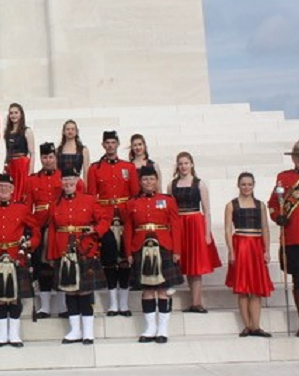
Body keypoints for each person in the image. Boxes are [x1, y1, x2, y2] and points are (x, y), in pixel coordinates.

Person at [48, 168, 110, 345]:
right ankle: (75, 330)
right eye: (65, 180)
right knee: (70, 290)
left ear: (77, 181)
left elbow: (104, 220)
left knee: (85, 291)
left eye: (71, 179)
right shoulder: (55, 203)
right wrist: (52, 255)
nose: (68, 183)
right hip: (63, 251)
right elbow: (52, 231)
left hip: (85, 249)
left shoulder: (89, 200)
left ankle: (88, 332)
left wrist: (96, 230)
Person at [0, 174, 40, 348]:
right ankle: (1, 334)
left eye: (7, 187)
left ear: (13, 190)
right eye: (0, 187)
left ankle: (14, 334)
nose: (3, 189)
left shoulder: (22, 209)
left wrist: (31, 243)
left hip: (16, 256)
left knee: (14, 297)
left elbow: (35, 229)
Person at [124, 166, 184, 344]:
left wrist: (177, 250)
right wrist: (128, 252)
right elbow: (128, 229)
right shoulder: (131, 202)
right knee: (147, 290)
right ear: (140, 182)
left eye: (151, 179)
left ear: (156, 180)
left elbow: (176, 226)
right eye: (144, 180)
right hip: (141, 246)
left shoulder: (167, 200)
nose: (148, 182)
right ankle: (150, 328)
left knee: (163, 290)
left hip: (164, 246)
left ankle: (163, 328)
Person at [88, 130, 140, 318]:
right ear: (103, 145)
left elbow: (134, 195)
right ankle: (112, 303)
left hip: (125, 217)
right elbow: (93, 197)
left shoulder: (129, 167)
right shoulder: (95, 168)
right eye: (107, 143)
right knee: (109, 261)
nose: (110, 146)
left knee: (125, 259)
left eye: (113, 142)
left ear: (117, 144)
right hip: (106, 218)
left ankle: (124, 303)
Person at [25, 142, 77, 319]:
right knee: (42, 267)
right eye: (44, 157)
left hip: (60, 228)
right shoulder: (32, 180)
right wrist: (33, 227)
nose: (47, 160)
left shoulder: (64, 177)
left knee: (61, 265)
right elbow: (28, 207)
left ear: (56, 157)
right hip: (40, 227)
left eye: (51, 157)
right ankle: (45, 306)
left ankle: (63, 306)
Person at [168, 151, 221, 312]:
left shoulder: (199, 184)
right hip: (179, 224)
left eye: (186, 163)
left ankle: (196, 302)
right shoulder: (172, 185)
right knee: (182, 263)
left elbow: (206, 210)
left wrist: (206, 233)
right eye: (181, 163)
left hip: (195, 224)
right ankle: (189, 301)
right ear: (177, 166)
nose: (183, 166)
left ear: (191, 164)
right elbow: (170, 209)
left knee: (195, 265)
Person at [225, 172, 273, 337]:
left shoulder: (261, 205)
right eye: (243, 184)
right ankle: (246, 326)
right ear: (238, 185)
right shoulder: (231, 205)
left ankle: (256, 326)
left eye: (249, 184)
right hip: (241, 246)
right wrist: (231, 251)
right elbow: (227, 229)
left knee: (256, 289)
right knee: (243, 288)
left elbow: (265, 228)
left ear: (254, 185)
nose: (246, 187)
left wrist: (267, 250)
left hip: (256, 246)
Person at [268, 140, 299, 336]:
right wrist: (277, 216)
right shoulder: (284, 178)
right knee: (298, 281)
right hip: (293, 237)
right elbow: (273, 204)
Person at [3, 103, 35, 202]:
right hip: (11, 166)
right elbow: (7, 152)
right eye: (11, 113)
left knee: (22, 192)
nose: (13, 115)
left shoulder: (27, 131)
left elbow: (32, 153)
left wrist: (31, 172)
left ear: (21, 114)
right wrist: (5, 167)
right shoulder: (7, 132)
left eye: (16, 112)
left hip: (22, 165)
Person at [56, 120, 90, 186]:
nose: (70, 131)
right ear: (63, 132)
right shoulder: (58, 150)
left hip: (77, 184)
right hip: (62, 184)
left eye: (73, 129)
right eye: (68, 129)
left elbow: (86, 172)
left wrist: (86, 189)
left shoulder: (83, 150)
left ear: (77, 131)